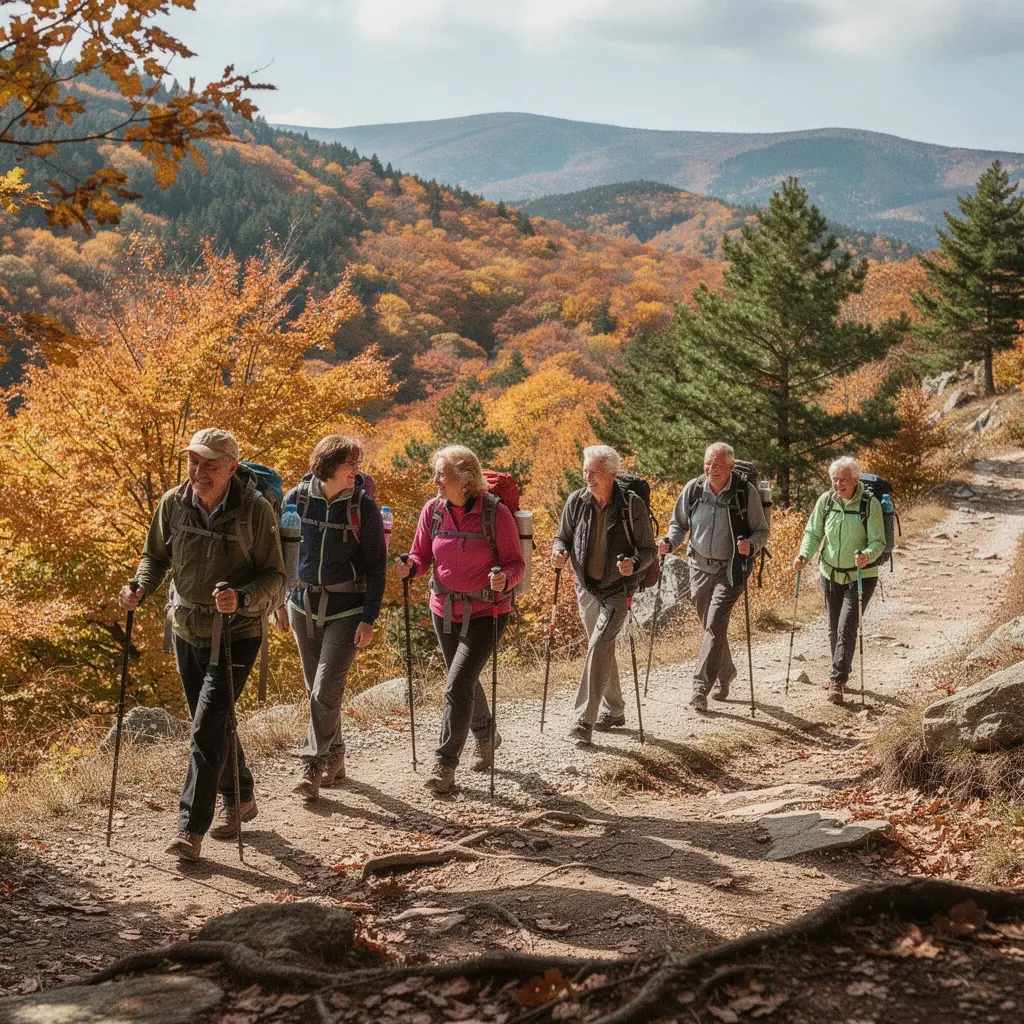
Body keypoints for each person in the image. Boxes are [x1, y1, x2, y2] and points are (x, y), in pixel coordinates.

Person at [119, 429, 285, 862]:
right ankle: (241, 795)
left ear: (232, 467)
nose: (199, 471)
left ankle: (190, 829)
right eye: (194, 462)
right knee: (212, 721)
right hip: (186, 628)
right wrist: (140, 587)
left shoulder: (255, 510)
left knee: (206, 726)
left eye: (210, 464)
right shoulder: (173, 502)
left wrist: (242, 598)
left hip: (237, 634)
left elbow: (275, 576)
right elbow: (155, 557)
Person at [394, 445, 524, 794]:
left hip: (487, 612)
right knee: (463, 679)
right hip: (443, 610)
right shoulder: (433, 511)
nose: (436, 480)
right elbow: (421, 555)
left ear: (465, 479)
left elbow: (516, 563)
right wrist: (411, 567)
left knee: (456, 684)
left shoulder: (495, 514)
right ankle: (486, 735)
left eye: (442, 474)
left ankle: (444, 764)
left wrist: (505, 580)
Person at [277, 435, 386, 802]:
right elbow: (282, 555)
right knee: (318, 691)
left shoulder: (362, 505)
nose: (357, 470)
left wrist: (369, 617)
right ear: (328, 466)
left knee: (325, 688)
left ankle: (312, 764)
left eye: (357, 464)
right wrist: (278, 602)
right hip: (301, 604)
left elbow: (377, 565)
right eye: (349, 464)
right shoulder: (295, 500)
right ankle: (336, 756)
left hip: (348, 607)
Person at [552, 445, 656, 745]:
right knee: (601, 648)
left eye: (594, 472)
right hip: (586, 588)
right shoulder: (577, 501)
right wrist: (559, 551)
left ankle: (583, 720)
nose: (588, 477)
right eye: (585, 470)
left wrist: (633, 563)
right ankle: (615, 710)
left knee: (599, 645)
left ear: (611, 474)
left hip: (618, 589)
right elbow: (563, 536)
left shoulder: (631, 506)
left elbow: (648, 550)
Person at [660, 442, 769, 712]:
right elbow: (679, 524)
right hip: (698, 567)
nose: (711, 469)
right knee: (712, 627)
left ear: (731, 467)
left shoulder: (744, 492)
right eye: (708, 463)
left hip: (730, 570)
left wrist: (751, 545)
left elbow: (761, 531)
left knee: (715, 623)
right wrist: (670, 542)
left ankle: (700, 689)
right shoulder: (694, 489)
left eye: (718, 465)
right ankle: (726, 671)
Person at [794, 456, 885, 705]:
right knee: (834, 628)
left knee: (846, 627)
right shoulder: (826, 501)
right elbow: (813, 532)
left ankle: (837, 679)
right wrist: (804, 555)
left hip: (860, 576)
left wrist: (867, 555)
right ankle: (842, 668)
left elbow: (878, 541)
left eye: (843, 480)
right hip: (830, 573)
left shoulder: (870, 504)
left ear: (855, 480)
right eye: (834, 479)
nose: (838, 484)